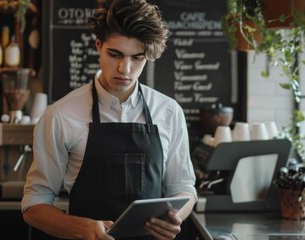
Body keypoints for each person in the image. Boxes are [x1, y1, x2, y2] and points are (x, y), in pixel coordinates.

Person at [21, 0, 197, 239]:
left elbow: (184, 189)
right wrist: (81, 228)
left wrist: (175, 217)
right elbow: (34, 206)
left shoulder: (169, 112)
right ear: (98, 45)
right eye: (115, 54)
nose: (125, 68)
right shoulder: (61, 115)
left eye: (137, 58)